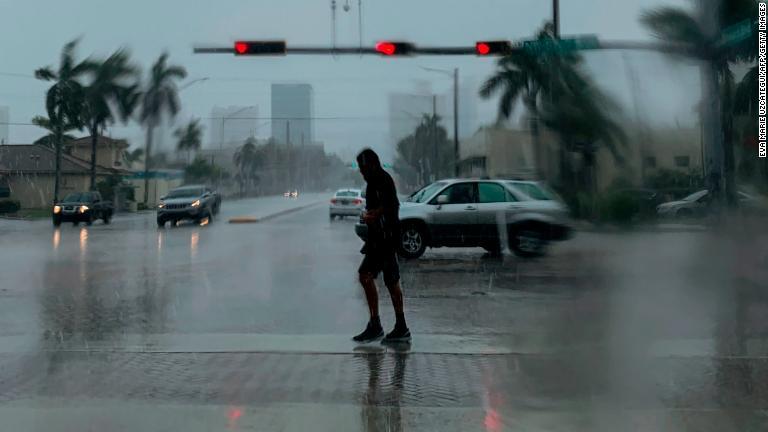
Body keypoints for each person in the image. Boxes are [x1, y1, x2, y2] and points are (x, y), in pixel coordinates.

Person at [353, 148, 411, 343]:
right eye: (360, 168)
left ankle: (377, 324)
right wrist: (369, 215)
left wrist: (374, 215)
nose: (361, 171)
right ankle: (399, 326)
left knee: (366, 275)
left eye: (362, 167)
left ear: (371, 165)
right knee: (391, 281)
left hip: (384, 240)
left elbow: (392, 206)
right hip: (381, 239)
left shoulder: (382, 181)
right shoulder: (373, 182)